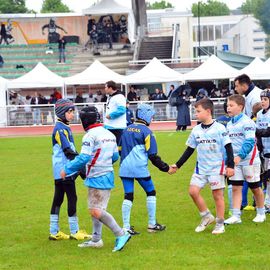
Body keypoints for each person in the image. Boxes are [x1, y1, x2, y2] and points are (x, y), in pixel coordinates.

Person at [60, 106, 131, 251]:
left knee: (96, 211)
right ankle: (96, 239)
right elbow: (115, 156)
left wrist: (67, 169)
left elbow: (84, 157)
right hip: (106, 175)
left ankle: (121, 233)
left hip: (97, 176)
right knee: (96, 208)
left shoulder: (90, 135)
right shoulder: (109, 134)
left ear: (85, 120)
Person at [172, 98, 235, 234]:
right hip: (201, 168)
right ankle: (206, 216)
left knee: (217, 195)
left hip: (216, 168)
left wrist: (230, 166)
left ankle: (219, 223)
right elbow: (189, 150)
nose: (196, 114)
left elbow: (228, 147)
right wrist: (178, 165)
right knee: (193, 192)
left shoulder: (219, 128)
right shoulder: (196, 130)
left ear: (208, 111)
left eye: (198, 111)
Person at [119, 104, 175, 234]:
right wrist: (166, 168)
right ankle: (152, 224)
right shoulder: (147, 132)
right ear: (146, 115)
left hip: (124, 168)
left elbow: (119, 150)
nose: (152, 119)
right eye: (152, 116)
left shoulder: (126, 129)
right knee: (151, 192)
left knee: (128, 195)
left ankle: (126, 228)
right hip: (140, 169)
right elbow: (153, 156)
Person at [49, 99, 90, 241]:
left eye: (73, 111)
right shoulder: (61, 129)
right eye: (70, 111)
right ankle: (74, 231)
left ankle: (54, 231)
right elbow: (67, 150)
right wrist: (80, 165)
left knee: (58, 199)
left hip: (59, 170)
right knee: (72, 198)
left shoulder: (63, 127)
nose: (73, 114)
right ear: (62, 112)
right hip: (65, 170)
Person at [224, 94, 266, 225]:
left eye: (231, 105)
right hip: (235, 160)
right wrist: (229, 159)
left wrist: (239, 157)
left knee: (255, 187)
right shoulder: (229, 124)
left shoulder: (248, 122)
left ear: (240, 107)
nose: (228, 108)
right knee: (236, 187)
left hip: (249, 160)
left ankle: (261, 212)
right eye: (227, 105)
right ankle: (236, 215)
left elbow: (249, 142)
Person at [234, 74, 263, 210]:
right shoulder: (250, 95)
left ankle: (259, 205)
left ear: (244, 85)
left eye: (236, 86)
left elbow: (260, 115)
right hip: (255, 137)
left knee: (256, 173)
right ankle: (247, 202)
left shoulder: (256, 95)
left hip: (259, 139)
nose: (235, 89)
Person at [255, 89, 270, 213]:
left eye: (265, 99)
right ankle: (265, 203)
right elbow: (259, 133)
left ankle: (267, 203)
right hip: (264, 151)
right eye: (261, 99)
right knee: (265, 178)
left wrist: (256, 131)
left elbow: (267, 131)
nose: (263, 102)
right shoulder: (259, 114)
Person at [104, 80, 126, 145]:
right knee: (109, 148)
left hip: (117, 127)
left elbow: (122, 110)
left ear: (110, 88)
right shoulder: (110, 97)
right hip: (109, 126)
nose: (104, 89)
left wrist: (111, 115)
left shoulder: (119, 97)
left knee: (118, 148)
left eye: (105, 87)